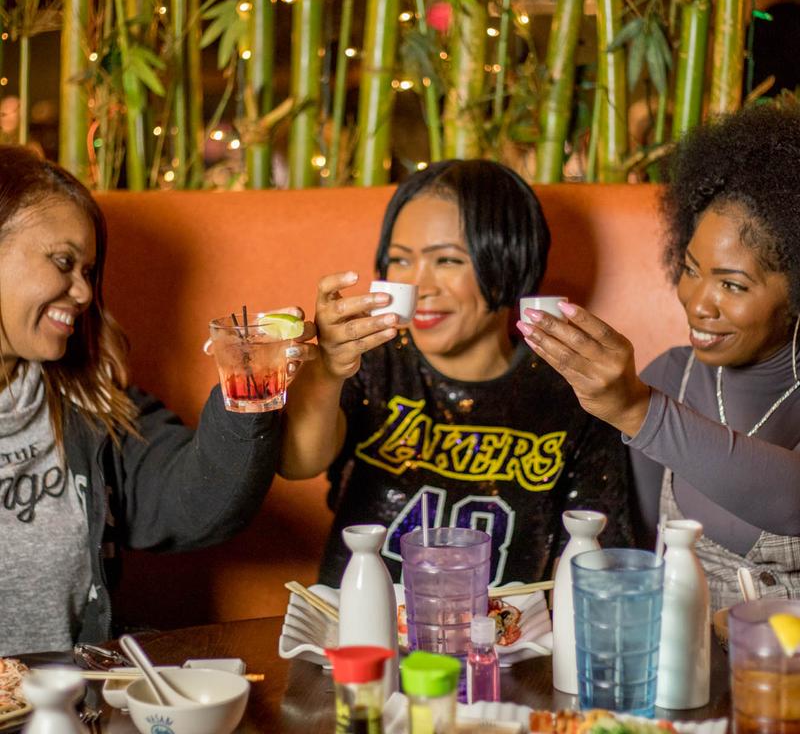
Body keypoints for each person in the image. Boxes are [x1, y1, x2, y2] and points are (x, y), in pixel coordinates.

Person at [0, 146, 314, 655]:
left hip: (67, 699)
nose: (83, 293)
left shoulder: (88, 408)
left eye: (88, 271)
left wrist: (248, 387)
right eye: (63, 262)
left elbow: (197, 504)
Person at [280, 159, 633, 587]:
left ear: (508, 263)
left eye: (446, 260)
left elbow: (591, 557)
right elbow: (296, 463)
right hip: (361, 619)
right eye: (400, 260)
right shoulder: (369, 362)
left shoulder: (571, 393)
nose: (419, 285)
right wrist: (326, 369)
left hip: (503, 627)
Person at [517, 104, 800, 611]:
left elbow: (791, 502)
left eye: (733, 285)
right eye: (691, 270)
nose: (698, 303)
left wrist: (637, 409)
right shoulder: (670, 376)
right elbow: (628, 546)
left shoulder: (646, 397)